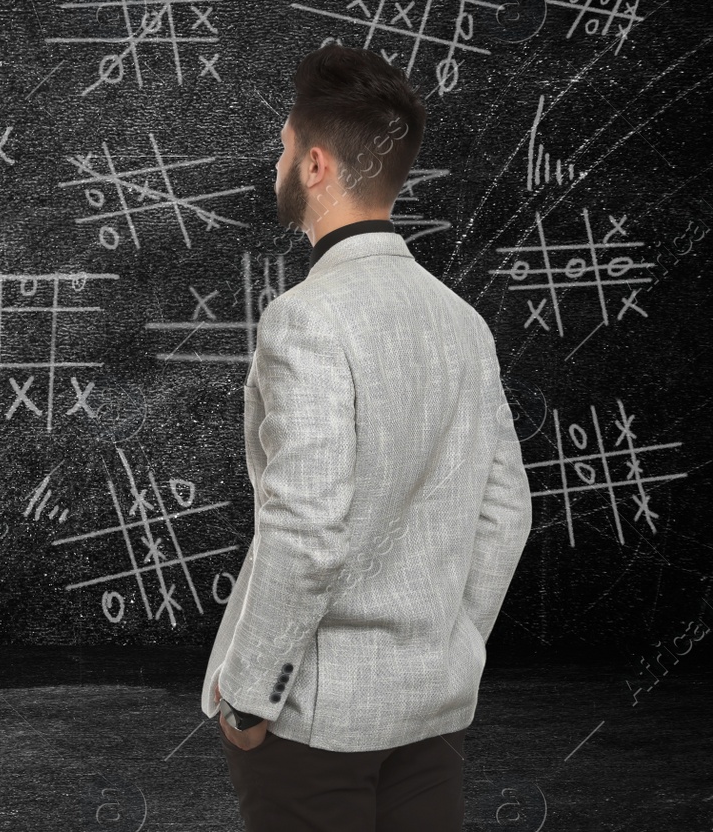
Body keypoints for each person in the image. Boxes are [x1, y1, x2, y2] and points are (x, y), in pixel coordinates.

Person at [200, 44, 533, 832]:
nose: (277, 163)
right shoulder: (464, 323)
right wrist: (440, 650)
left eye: (284, 149)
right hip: (432, 710)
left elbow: (307, 531)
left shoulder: (306, 318)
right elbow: (506, 513)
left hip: (316, 721)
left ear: (315, 166)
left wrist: (251, 692)